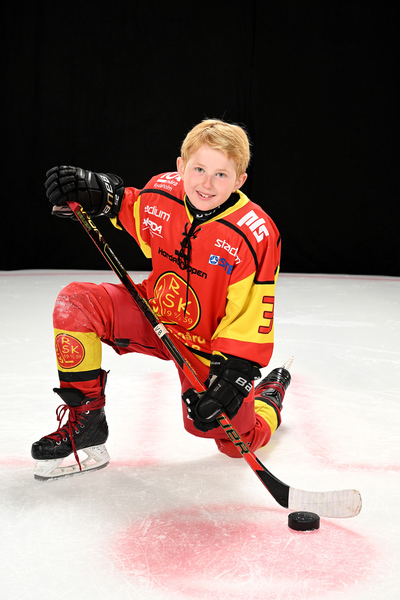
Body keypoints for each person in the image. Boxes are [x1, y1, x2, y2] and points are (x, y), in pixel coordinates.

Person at [31, 118, 289, 480]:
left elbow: (252, 313)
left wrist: (235, 377)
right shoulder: (163, 193)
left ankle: (270, 398)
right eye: (199, 169)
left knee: (233, 442)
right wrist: (98, 191)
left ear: (240, 180)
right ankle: (86, 424)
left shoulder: (254, 235)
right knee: (75, 303)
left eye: (221, 175)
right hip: (154, 316)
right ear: (181, 166)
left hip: (207, 348)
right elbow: (131, 208)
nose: (206, 183)